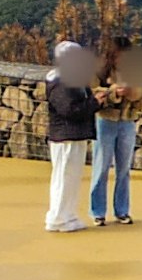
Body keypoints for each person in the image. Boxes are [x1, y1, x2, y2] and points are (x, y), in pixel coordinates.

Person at [88, 20, 142, 225]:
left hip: (127, 122)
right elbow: (91, 93)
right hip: (105, 121)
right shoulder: (99, 71)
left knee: (124, 169)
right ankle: (97, 211)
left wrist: (133, 92)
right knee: (101, 167)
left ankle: (122, 210)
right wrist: (114, 92)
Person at [43, 24, 101, 232]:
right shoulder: (59, 81)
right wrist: (95, 103)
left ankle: (67, 215)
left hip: (73, 135)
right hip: (65, 136)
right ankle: (58, 217)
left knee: (71, 177)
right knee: (64, 176)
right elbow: (69, 110)